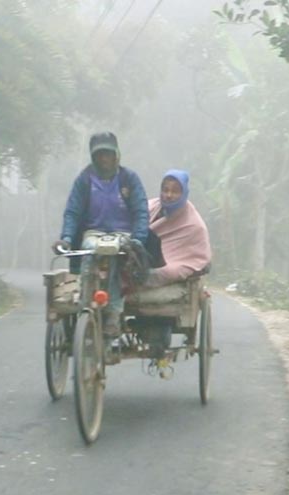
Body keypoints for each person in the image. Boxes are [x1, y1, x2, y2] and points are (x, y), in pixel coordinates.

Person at [52, 132, 149, 337]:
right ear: (93, 156)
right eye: (99, 154)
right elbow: (73, 212)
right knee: (89, 250)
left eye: (108, 153)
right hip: (93, 233)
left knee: (116, 255)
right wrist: (67, 238)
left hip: (123, 234)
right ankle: (86, 302)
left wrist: (138, 239)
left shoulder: (128, 179)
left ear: (116, 154)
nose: (104, 159)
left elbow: (141, 211)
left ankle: (114, 313)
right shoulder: (84, 180)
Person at [134, 168, 211, 356]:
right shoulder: (149, 207)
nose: (168, 195)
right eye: (165, 189)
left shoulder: (194, 224)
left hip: (170, 266)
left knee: (162, 273)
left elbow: (199, 256)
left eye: (175, 190)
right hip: (142, 259)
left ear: (184, 192)